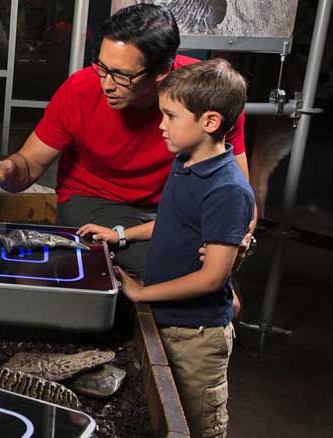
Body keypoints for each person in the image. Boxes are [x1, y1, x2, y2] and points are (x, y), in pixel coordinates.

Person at [0, 4, 255, 280]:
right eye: (102, 66)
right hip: (94, 201)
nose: (106, 84)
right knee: (170, 268)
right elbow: (29, 164)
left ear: (163, 72)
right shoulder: (80, 90)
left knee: (213, 271)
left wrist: (240, 233)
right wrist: (4, 168)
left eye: (122, 75)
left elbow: (237, 185)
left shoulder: (207, 95)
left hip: (173, 205)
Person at [79, 58, 253, 438]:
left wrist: (142, 293)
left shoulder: (227, 189)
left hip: (197, 337)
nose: (160, 125)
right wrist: (120, 235)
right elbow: (173, 223)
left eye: (171, 116)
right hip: (168, 322)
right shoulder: (185, 161)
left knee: (197, 425)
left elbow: (212, 278)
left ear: (209, 122)